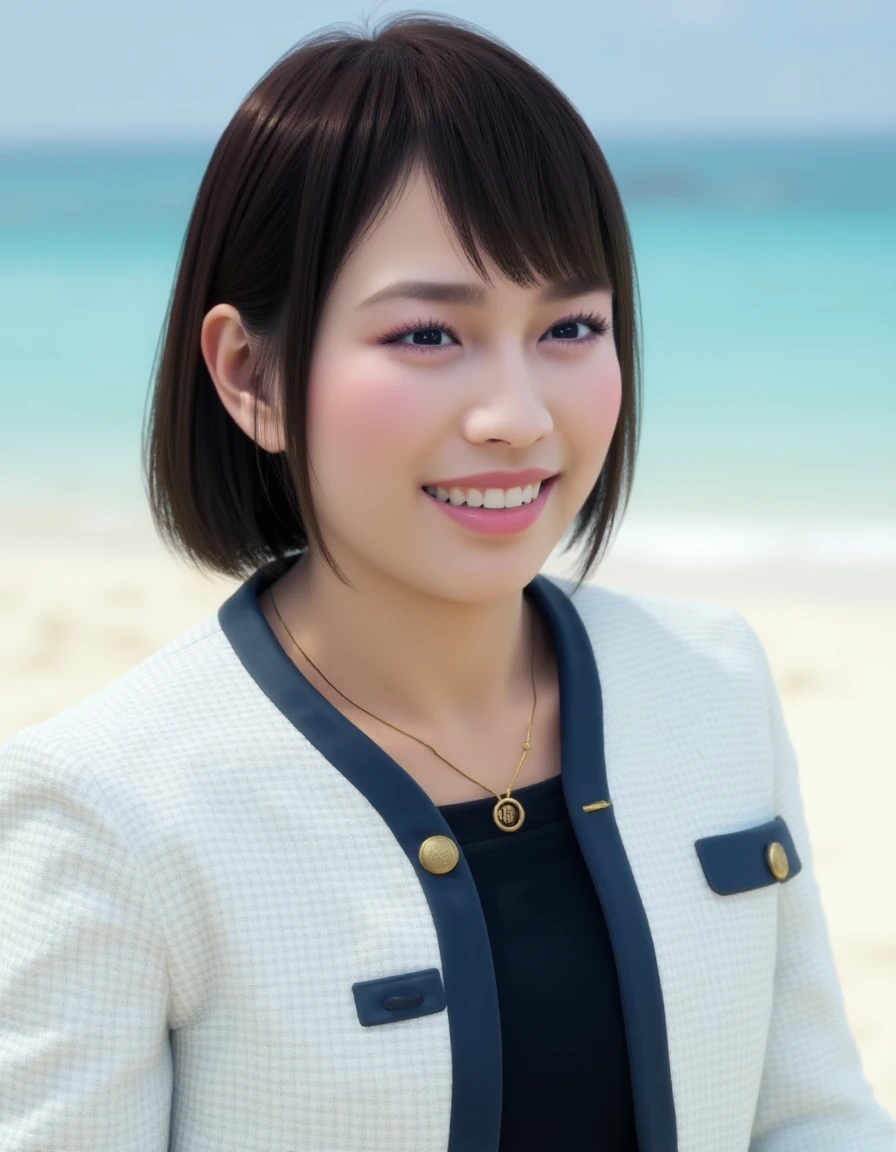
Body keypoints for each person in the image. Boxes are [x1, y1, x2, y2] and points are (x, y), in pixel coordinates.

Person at [1, 13, 894, 1152]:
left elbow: (809, 1117)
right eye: (428, 336)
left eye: (570, 325)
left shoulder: (709, 684)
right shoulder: (109, 809)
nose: (517, 415)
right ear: (249, 374)